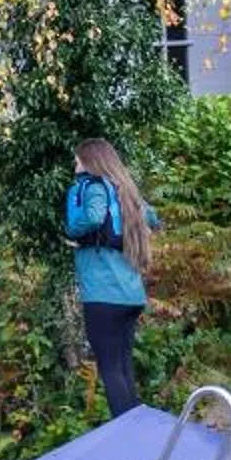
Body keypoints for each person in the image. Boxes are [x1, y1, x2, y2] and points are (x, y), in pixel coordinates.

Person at [68, 136, 156, 415]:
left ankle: (126, 438)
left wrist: (72, 232)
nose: (75, 163)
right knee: (123, 366)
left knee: (109, 369)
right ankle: (137, 431)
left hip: (102, 293)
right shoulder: (126, 191)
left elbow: (93, 217)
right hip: (130, 293)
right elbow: (154, 218)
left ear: (90, 162)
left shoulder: (93, 187)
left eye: (78, 158)